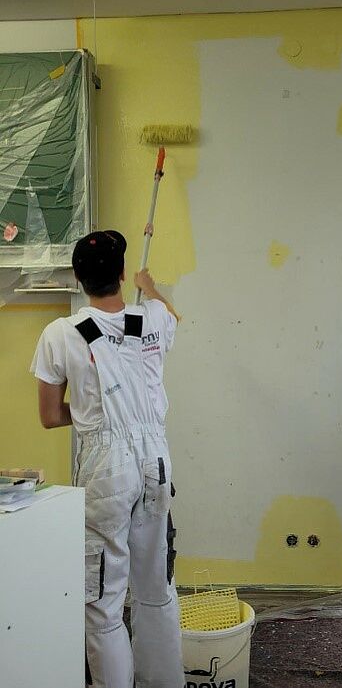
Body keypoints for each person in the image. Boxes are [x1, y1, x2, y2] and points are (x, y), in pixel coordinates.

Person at [31, 230, 184, 688]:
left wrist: (90, 411)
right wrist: (150, 285)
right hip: (157, 461)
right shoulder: (151, 318)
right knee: (156, 588)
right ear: (122, 276)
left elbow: (49, 416)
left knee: (103, 600)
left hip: (105, 469)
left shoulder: (61, 333)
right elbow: (173, 314)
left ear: (78, 279)